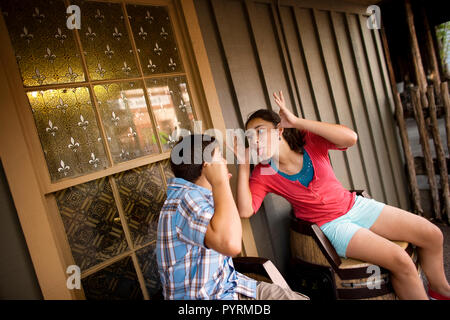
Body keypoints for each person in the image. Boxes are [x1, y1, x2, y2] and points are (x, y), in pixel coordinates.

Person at [235, 90, 450, 300]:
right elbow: (246, 210)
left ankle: (439, 290)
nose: (254, 140)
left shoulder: (308, 140)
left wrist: (297, 121)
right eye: (250, 136)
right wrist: (244, 166)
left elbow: (350, 138)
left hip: (354, 205)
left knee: (432, 235)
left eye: (260, 131)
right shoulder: (264, 173)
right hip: (334, 226)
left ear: (279, 131)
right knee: (400, 261)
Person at [156, 134, 309, 300]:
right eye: (219, 156)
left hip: (233, 286)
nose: (223, 162)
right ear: (207, 165)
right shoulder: (186, 199)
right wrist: (220, 182)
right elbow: (232, 244)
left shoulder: (201, 197)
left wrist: (220, 186)